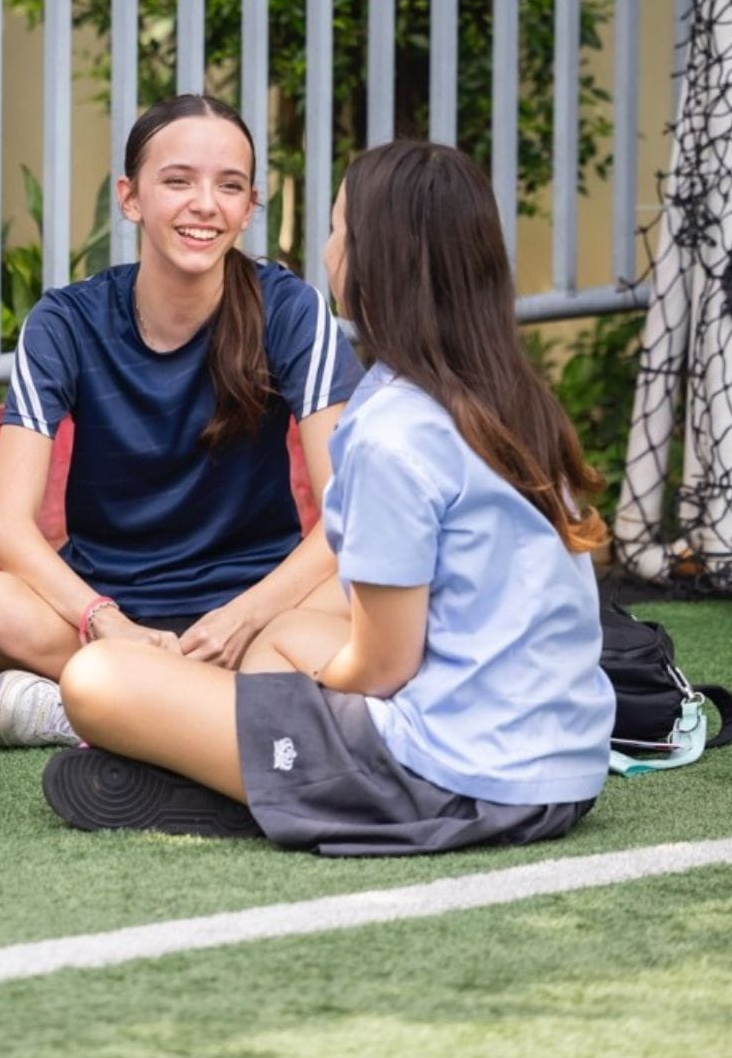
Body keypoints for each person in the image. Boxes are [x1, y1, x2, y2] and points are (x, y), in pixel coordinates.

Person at [39, 138, 613, 856]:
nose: (328, 247)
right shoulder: (512, 401)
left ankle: (269, 787)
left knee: (97, 679)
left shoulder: (392, 433)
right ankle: (264, 770)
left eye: (338, 228)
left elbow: (381, 668)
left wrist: (308, 687)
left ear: (374, 265)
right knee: (281, 633)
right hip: (567, 770)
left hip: (454, 778)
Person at [0, 94, 364, 747]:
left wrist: (243, 616)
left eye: (228, 186)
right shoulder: (65, 321)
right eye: (178, 181)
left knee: (368, 581)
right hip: (113, 612)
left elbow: (347, 512)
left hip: (258, 610)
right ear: (130, 198)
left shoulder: (292, 311)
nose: (205, 204)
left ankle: (99, 706)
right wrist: (104, 619)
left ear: (249, 207)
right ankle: (192, 701)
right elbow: (6, 526)